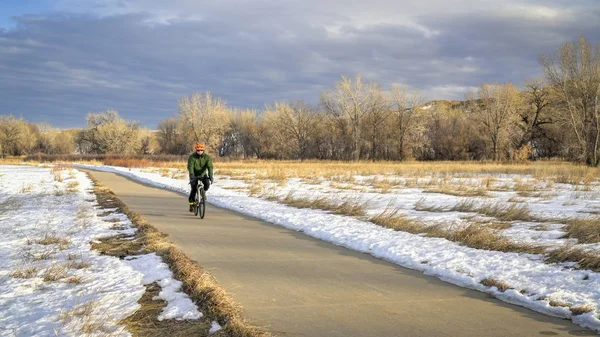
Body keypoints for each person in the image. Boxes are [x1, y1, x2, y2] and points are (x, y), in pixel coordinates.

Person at [187, 142, 214, 212]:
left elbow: (210, 166)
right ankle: (192, 204)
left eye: (201, 150)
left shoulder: (207, 157)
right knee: (193, 188)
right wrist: (192, 174)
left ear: (203, 150)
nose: (200, 152)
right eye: (198, 150)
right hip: (194, 174)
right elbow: (190, 166)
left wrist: (210, 175)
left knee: (207, 184)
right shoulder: (192, 157)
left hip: (203, 174)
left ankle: (203, 192)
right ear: (196, 150)